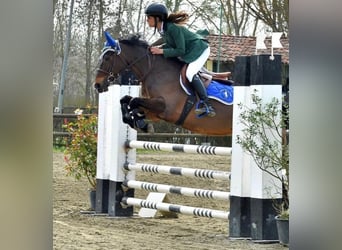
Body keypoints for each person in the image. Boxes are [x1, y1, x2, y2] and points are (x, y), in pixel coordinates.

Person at [145, 2, 216, 117]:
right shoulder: (163, 29)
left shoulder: (173, 28)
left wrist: (161, 51)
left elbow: (180, 50)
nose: (147, 20)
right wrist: (159, 48)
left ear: (157, 18)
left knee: (190, 73)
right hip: (190, 51)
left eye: (149, 17)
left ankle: (207, 104)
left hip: (200, 49)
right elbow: (171, 45)